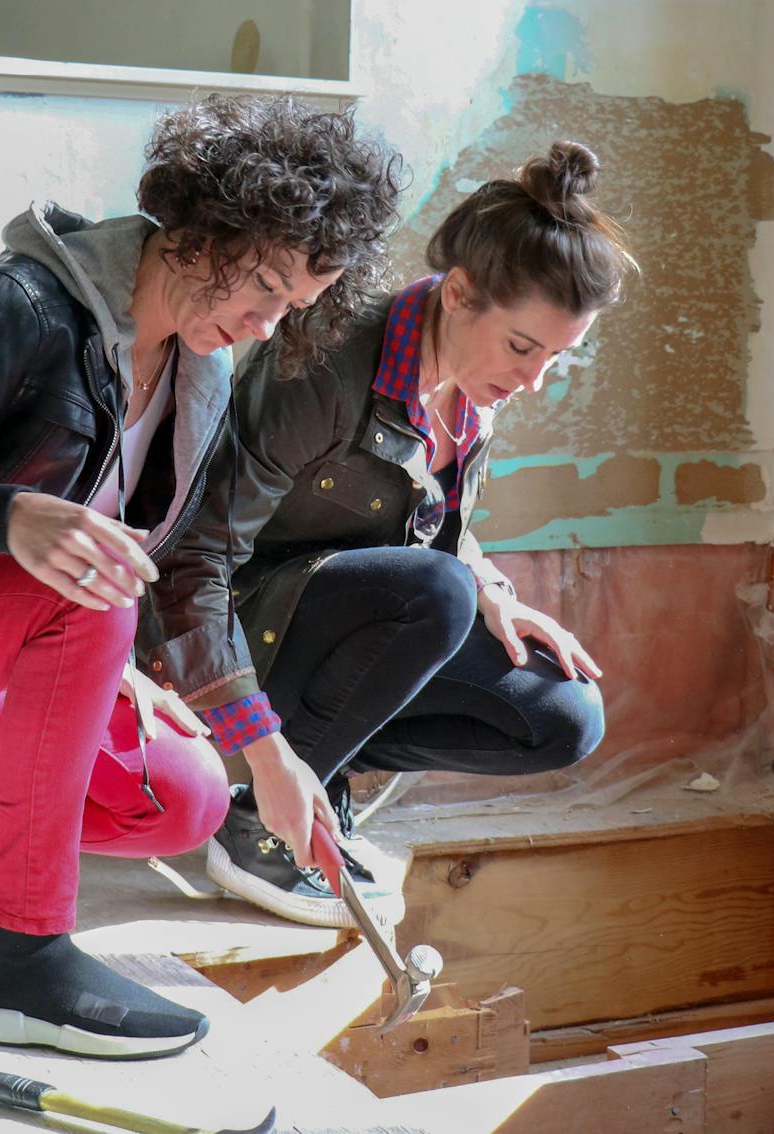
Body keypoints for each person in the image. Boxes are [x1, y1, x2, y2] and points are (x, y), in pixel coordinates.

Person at [0, 95, 402, 1057]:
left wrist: (270, 752)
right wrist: (5, 518)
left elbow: (181, 575)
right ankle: (21, 958)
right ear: (202, 224)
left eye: (291, 308)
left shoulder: (196, 374)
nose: (265, 325)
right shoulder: (14, 308)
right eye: (263, 283)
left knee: (184, 792)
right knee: (87, 569)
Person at [152, 141, 637, 927]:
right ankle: (260, 826)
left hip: (347, 623)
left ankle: (317, 771)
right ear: (458, 292)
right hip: (227, 628)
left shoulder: (475, 392)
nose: (532, 381)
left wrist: (491, 586)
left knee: (561, 716)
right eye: (522, 347)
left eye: (558, 359)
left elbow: (422, 520)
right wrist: (256, 734)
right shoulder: (330, 359)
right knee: (436, 592)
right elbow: (200, 553)